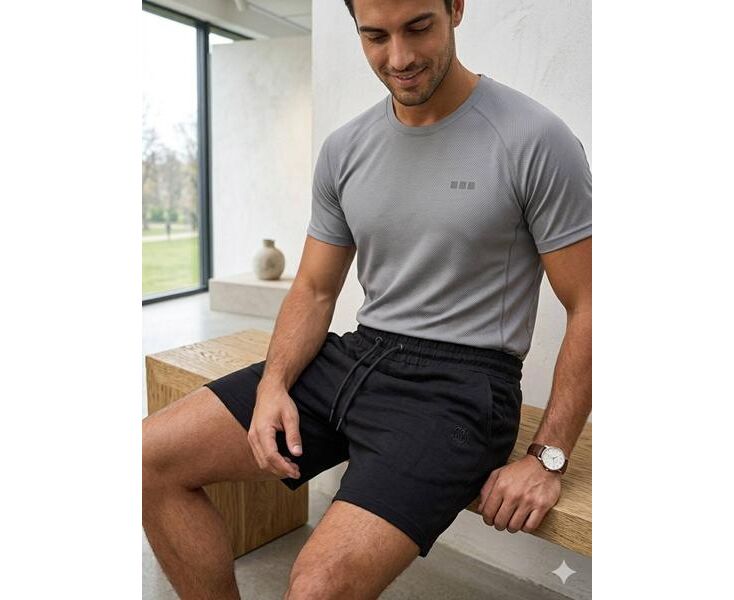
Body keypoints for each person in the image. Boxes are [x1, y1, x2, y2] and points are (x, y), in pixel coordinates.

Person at [142, 0, 592, 598]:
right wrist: (274, 384)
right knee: (146, 459)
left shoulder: (534, 138)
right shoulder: (346, 147)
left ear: (456, 8)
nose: (398, 57)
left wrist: (548, 457)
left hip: (459, 388)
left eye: (418, 28)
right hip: (358, 354)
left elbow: (591, 303)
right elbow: (314, 288)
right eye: (375, 36)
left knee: (316, 587)